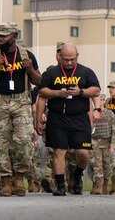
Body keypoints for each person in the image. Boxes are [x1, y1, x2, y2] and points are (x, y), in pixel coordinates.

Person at [0, 22, 41, 198]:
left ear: (13, 36)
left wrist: (29, 69)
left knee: (23, 141)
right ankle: (5, 180)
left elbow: (39, 81)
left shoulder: (27, 55)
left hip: (21, 101)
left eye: (3, 36)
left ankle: (19, 178)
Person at [36, 43, 101, 196]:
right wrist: (58, 93)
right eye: (66, 59)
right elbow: (42, 91)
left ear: (77, 56)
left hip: (80, 118)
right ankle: (60, 186)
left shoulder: (86, 72)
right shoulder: (52, 73)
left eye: (72, 59)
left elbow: (96, 90)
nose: (69, 62)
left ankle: (77, 174)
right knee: (59, 151)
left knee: (83, 153)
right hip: (57, 118)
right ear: (60, 57)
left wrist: (81, 92)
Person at [89, 95, 115, 194]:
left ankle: (105, 184)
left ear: (104, 101)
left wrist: (113, 145)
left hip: (107, 143)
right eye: (98, 99)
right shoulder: (91, 113)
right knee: (97, 166)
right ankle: (98, 187)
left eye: (102, 99)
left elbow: (114, 130)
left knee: (107, 166)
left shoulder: (110, 114)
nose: (100, 101)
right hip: (95, 142)